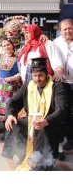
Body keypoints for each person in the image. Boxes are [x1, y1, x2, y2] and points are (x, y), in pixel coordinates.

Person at [1, 57, 68, 171]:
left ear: (47, 74)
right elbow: (13, 101)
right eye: (35, 75)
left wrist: (46, 121)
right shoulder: (28, 86)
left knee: (43, 129)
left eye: (41, 75)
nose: (38, 79)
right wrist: (10, 115)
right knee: (14, 124)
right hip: (33, 121)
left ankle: (44, 161)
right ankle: (23, 156)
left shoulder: (57, 87)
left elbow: (61, 109)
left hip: (52, 123)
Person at [53, 19, 73, 152]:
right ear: (60, 31)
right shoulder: (55, 43)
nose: (68, 31)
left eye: (70, 28)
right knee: (64, 111)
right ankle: (67, 137)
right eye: (65, 29)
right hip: (62, 82)